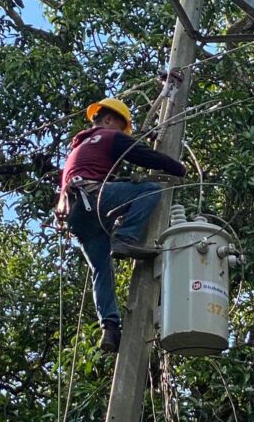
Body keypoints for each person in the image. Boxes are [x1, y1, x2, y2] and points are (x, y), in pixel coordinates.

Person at [55, 98, 186, 353]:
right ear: (108, 119)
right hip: (93, 198)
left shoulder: (79, 148)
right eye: (121, 127)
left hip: (75, 214)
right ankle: (125, 237)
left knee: (101, 270)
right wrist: (178, 168)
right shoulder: (108, 136)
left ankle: (110, 327)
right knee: (150, 190)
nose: (123, 133)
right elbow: (145, 156)